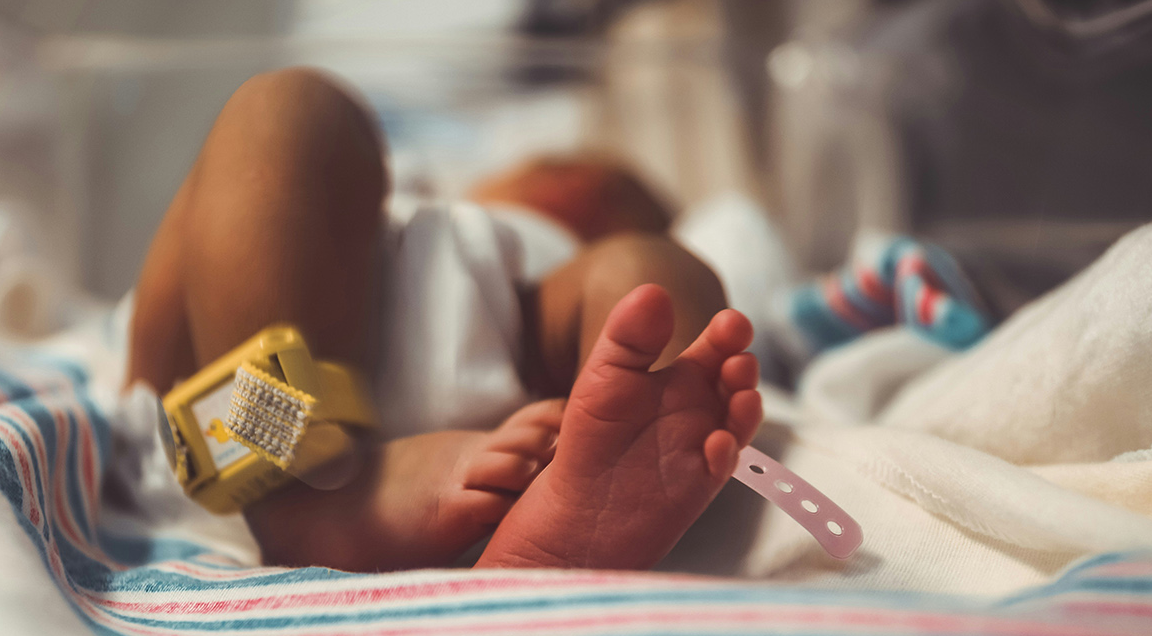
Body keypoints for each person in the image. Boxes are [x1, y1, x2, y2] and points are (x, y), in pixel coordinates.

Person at [126, 69, 762, 572]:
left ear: (569, 193)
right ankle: (287, 482)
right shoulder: (410, 203)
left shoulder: (540, 249)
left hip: (525, 417)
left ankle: (617, 465)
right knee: (284, 118)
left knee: (644, 281)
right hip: (220, 416)